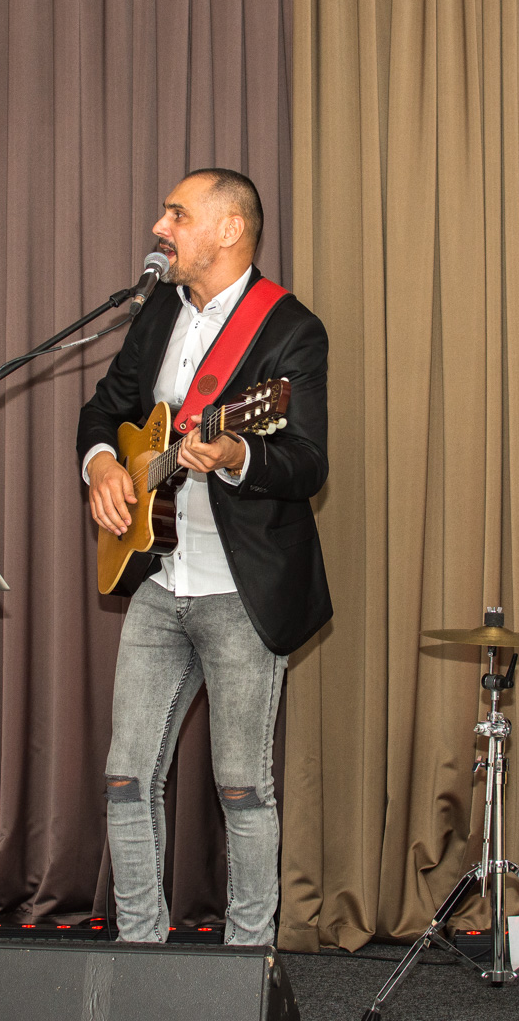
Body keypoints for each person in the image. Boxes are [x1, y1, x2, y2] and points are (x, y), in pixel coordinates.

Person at [77, 168, 332, 945]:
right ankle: (139, 950)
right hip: (159, 580)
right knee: (127, 777)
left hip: (240, 593)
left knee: (243, 788)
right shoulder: (158, 309)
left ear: (229, 229)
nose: (161, 228)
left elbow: (307, 463)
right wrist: (102, 465)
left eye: (177, 215)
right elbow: (106, 407)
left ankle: (248, 962)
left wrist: (234, 455)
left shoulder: (291, 330)